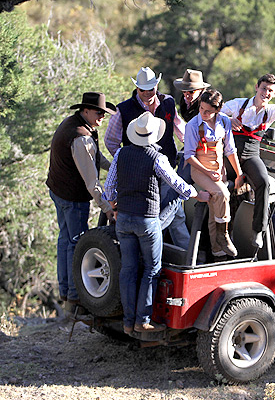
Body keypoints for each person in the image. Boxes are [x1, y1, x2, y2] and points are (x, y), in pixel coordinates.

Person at [103, 112, 207, 334]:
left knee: (129, 269)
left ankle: (128, 321)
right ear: (154, 136)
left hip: (123, 220)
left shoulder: (121, 153)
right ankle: (143, 320)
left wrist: (114, 206)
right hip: (147, 220)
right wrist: (197, 194)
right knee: (152, 269)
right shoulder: (156, 158)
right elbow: (176, 183)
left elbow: (108, 188)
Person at [104, 67, 191, 248]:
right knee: (148, 215)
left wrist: (192, 147)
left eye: (150, 88)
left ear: (156, 86)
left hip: (166, 168)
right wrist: (128, 162)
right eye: (142, 89)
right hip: (139, 176)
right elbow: (111, 141)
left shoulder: (168, 102)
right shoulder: (123, 110)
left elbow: (179, 128)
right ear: (137, 88)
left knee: (175, 212)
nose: (146, 93)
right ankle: (151, 253)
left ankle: (186, 253)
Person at [46, 92, 117, 308]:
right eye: (98, 113)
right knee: (76, 244)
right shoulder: (81, 137)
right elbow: (91, 182)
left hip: (59, 192)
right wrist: (107, 208)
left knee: (65, 240)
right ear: (85, 110)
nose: (102, 117)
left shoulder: (74, 124)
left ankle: (67, 294)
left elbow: (95, 158)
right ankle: (75, 297)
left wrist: (116, 166)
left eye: (104, 114)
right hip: (72, 198)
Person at [221, 70, 275, 249]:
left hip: (250, 156)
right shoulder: (238, 104)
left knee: (263, 182)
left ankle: (258, 230)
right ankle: (219, 234)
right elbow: (215, 113)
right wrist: (229, 120)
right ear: (257, 88)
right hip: (230, 154)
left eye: (271, 91)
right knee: (222, 188)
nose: (266, 93)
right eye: (264, 89)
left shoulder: (270, 112)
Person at [184, 89, 245, 258]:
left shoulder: (224, 121)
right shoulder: (193, 126)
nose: (204, 113)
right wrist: (208, 173)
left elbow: (230, 149)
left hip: (219, 170)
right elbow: (189, 156)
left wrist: (239, 174)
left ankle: (217, 252)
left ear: (218, 110)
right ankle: (223, 235)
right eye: (201, 109)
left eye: (208, 111)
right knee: (222, 193)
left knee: (215, 209)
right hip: (200, 170)